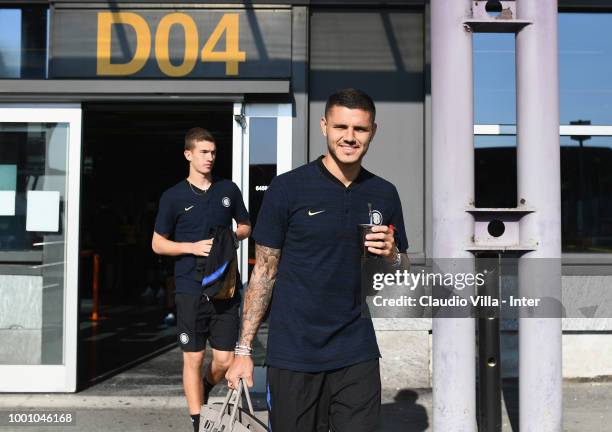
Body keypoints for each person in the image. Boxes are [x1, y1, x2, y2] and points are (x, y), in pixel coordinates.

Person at [226, 88, 409, 431]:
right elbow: (265, 272)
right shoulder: (287, 189)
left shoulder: (384, 193)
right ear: (324, 126)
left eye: (360, 129)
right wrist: (243, 350)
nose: (350, 137)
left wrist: (393, 254)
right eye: (341, 127)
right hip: (294, 351)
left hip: (356, 348)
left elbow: (399, 268)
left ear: (373, 131)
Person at [152, 127, 251, 432]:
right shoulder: (173, 197)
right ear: (188, 154)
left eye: (213, 152)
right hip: (189, 289)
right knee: (192, 359)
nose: (210, 158)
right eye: (204, 152)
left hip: (224, 288)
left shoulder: (228, 190)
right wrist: (190, 247)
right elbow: (157, 243)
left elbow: (246, 225)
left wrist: (230, 237)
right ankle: (198, 421)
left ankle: (206, 387)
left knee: (222, 360)